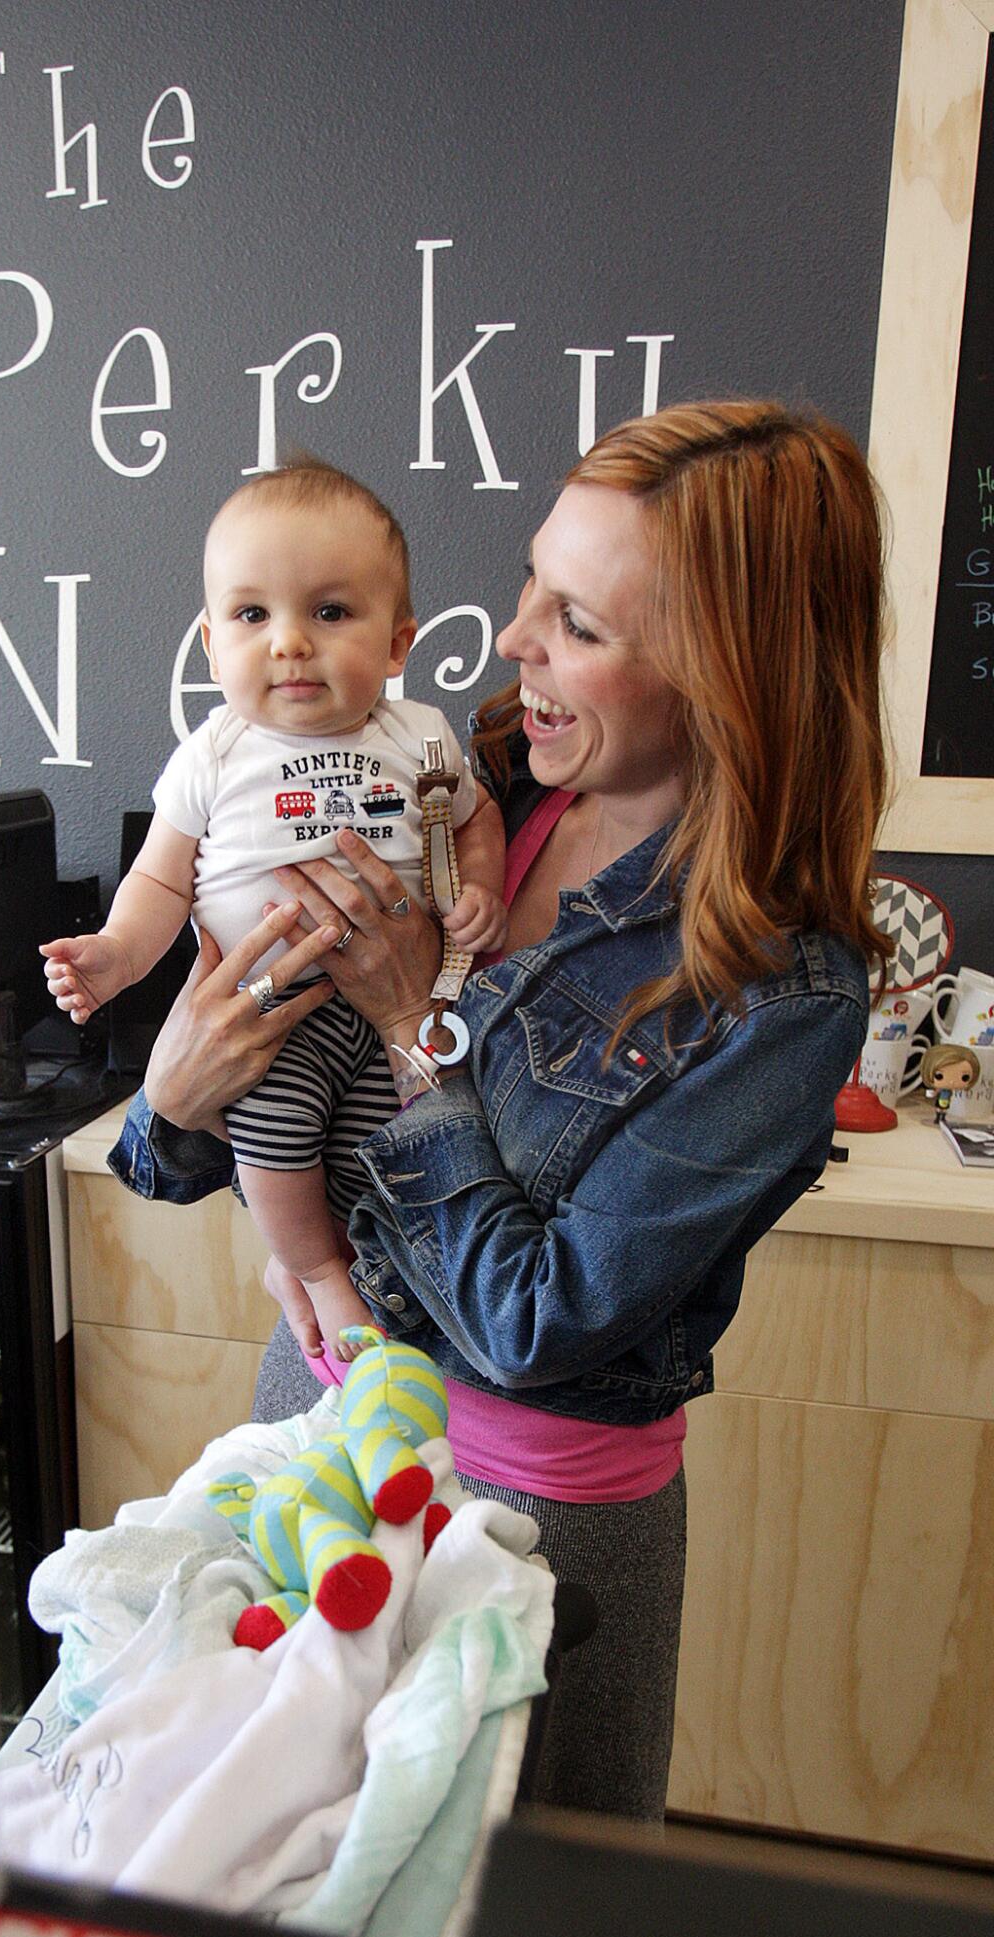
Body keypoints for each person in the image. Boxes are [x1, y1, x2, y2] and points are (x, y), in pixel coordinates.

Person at [125, 401, 890, 1819]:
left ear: (729, 671)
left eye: (579, 622)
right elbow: (195, 1146)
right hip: (320, 1419)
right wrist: (171, 1095)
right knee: (269, 1854)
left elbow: (534, 1322)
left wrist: (422, 1028)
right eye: (534, 583)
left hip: (532, 1522)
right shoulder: (466, 779)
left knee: (519, 1893)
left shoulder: (782, 989)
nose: (515, 640)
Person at [41, 460, 506, 1360]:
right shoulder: (212, 754)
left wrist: (477, 889)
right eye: (254, 615)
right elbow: (160, 884)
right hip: (272, 1018)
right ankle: (316, 1275)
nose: (289, 642)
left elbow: (476, 822)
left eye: (330, 613)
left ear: (399, 642)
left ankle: (382, 1279)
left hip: (398, 1013)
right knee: (278, 1139)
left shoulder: (422, 737)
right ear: (211, 644)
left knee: (391, 1145)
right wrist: (117, 954)